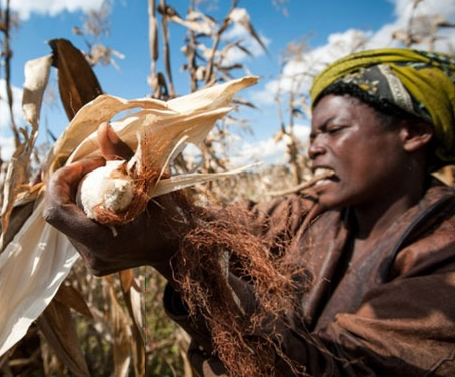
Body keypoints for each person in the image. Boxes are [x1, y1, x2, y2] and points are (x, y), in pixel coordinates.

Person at [42, 48, 455, 376]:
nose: (312, 149)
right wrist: (140, 202)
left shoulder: (443, 257)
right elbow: (209, 224)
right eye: (311, 135)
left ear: (414, 133)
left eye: (333, 130)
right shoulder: (308, 212)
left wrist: (176, 255)